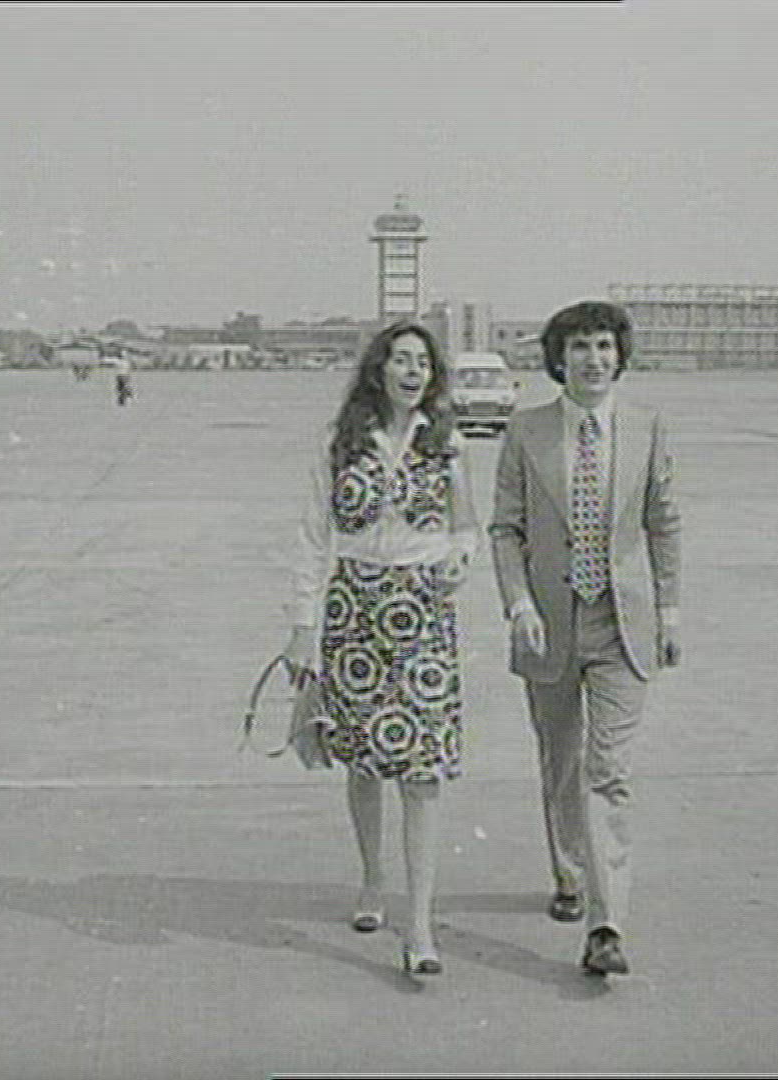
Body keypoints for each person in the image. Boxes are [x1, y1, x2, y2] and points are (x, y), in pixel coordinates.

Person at [489, 299, 682, 977]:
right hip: (547, 622)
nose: (593, 359)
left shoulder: (647, 427)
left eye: (604, 346)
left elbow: (664, 522)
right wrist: (518, 602)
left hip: (622, 624)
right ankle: (570, 872)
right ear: (558, 359)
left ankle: (607, 923)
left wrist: (671, 611)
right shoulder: (526, 430)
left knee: (609, 771)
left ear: (620, 356)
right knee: (562, 761)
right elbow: (505, 527)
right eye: (579, 347)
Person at [283, 320, 479, 977]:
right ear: (379, 369)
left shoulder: (447, 442)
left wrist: (458, 559)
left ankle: (419, 926)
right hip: (355, 612)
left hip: (423, 615)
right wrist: (302, 625)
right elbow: (313, 537)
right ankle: (373, 879)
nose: (412, 372)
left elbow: (466, 528)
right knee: (365, 762)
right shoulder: (341, 441)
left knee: (422, 773)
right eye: (400, 360)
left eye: (423, 362)